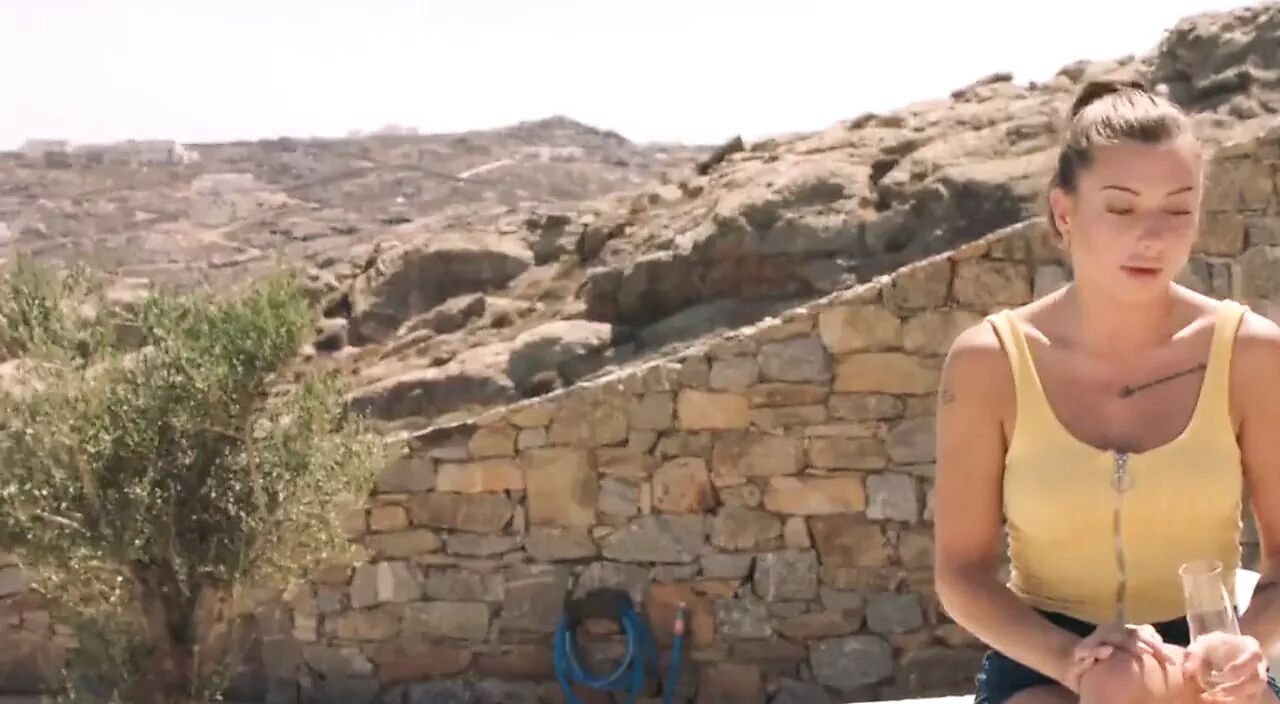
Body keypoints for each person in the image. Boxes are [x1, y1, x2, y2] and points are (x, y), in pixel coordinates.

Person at [934, 79, 1280, 704]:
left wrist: (1241, 649)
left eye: (1178, 210)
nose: (1153, 236)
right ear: (1064, 213)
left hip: (1208, 648)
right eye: (1121, 209)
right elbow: (961, 573)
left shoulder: (1251, 353)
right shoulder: (990, 361)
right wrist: (1071, 662)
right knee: (1112, 682)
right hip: (1045, 652)